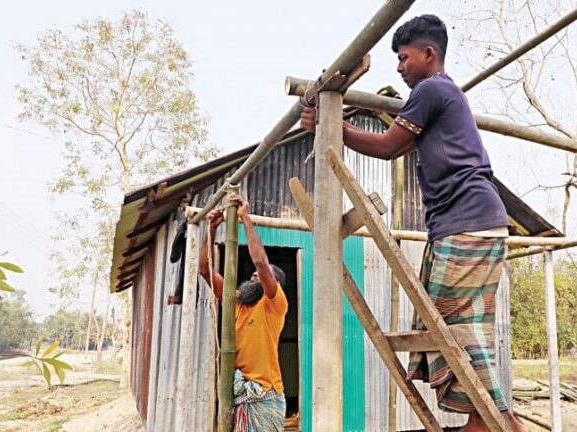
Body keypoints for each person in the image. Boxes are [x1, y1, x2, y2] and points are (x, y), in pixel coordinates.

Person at [300, 14, 525, 432]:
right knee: (457, 324)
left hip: (469, 221)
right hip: (464, 223)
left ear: (429, 54)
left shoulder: (432, 88)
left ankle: (498, 421)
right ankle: (484, 419)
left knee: (451, 323)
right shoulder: (436, 97)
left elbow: (388, 147)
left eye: (404, 59)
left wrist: (333, 126)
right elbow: (399, 144)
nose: (400, 67)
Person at [199, 195, 288, 432]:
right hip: (240, 394)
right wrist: (211, 229)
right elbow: (205, 269)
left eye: (262, 276)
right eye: (254, 275)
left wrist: (245, 218)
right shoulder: (238, 301)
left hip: (265, 396)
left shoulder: (274, 304)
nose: (254, 275)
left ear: (273, 282)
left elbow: (260, 262)